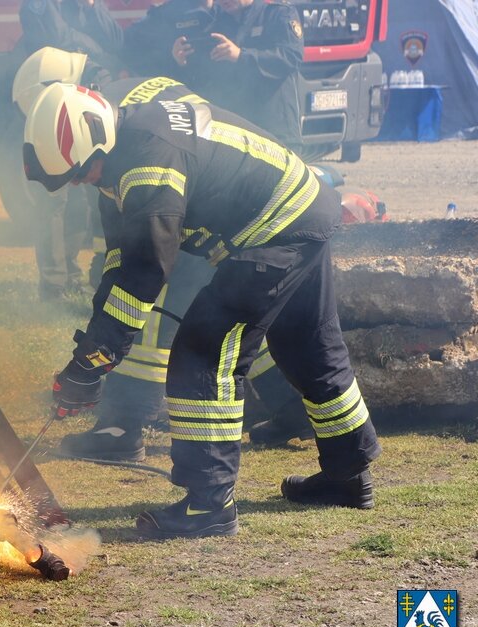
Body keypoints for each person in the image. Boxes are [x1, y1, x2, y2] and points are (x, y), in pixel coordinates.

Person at [23, 82, 381, 539]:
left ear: (97, 137)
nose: (79, 182)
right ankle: (347, 474)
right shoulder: (123, 154)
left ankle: (208, 505)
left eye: (80, 171)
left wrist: (93, 362)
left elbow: (143, 271)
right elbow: (121, 259)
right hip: (303, 208)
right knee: (308, 343)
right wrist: (94, 350)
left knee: (203, 351)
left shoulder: (149, 159)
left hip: (275, 228)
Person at [14, 48, 309, 461]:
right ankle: (292, 405)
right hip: (213, 208)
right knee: (240, 317)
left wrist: (94, 359)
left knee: (147, 311)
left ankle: (122, 426)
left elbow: (141, 267)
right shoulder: (118, 97)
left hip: (180, 207)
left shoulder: (117, 127)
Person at [17, 0, 123, 300]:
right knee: (54, 199)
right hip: (53, 113)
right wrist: (91, 50)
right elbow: (62, 45)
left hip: (85, 112)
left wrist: (92, 9)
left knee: (80, 202)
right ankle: (52, 285)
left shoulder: (91, 7)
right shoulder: (38, 6)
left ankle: (71, 274)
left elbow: (116, 42)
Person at [171, 0, 303, 146]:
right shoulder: (216, 25)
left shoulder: (277, 14)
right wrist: (181, 62)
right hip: (237, 132)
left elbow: (290, 57)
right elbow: (205, 80)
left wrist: (240, 56)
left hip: (276, 129)